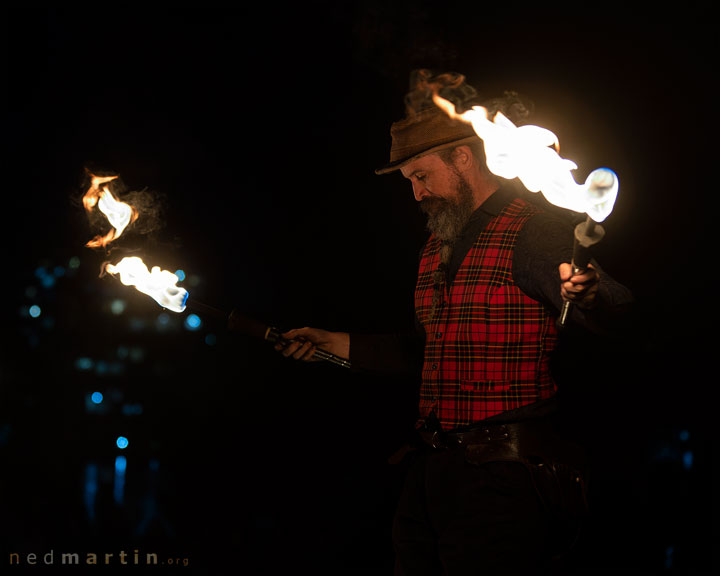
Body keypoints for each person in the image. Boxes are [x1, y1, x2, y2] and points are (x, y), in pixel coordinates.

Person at [273, 70, 634, 574]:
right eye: (411, 182)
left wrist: (590, 293)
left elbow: (616, 307)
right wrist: (336, 343)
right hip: (433, 474)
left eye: (421, 176)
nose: (416, 194)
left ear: (463, 157)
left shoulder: (534, 231)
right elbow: (428, 351)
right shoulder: (438, 244)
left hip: (503, 481)